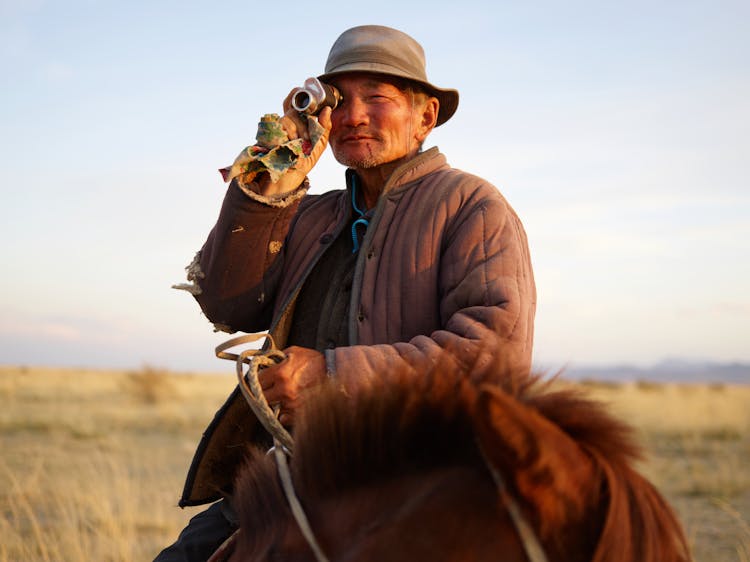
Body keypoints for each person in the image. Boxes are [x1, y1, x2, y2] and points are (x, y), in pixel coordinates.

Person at [157, 24, 536, 561]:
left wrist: (329, 376)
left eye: (377, 98)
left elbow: (494, 359)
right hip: (293, 472)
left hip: (415, 482)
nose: (354, 116)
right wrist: (269, 186)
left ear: (425, 116)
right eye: (340, 101)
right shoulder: (310, 213)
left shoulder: (471, 204)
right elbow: (229, 304)